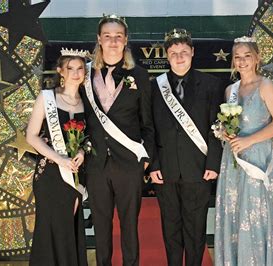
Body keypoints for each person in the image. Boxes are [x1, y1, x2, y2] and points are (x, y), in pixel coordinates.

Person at [79, 14, 154, 266]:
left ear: (126, 41)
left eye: (118, 36)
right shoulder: (84, 76)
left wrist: (145, 160)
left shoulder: (140, 76)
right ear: (99, 39)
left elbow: (148, 124)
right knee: (100, 226)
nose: (113, 41)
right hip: (96, 163)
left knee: (129, 226)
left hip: (129, 164)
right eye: (108, 36)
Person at [149, 28, 224, 266]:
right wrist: (153, 165)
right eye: (173, 53)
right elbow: (148, 129)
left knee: (195, 229)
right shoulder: (154, 87)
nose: (179, 57)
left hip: (199, 168)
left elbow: (217, 127)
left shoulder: (211, 85)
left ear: (192, 52)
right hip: (166, 170)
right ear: (166, 56)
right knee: (170, 227)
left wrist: (213, 163)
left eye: (183, 52)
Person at [214, 36, 273, 265]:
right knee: (235, 212)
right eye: (237, 57)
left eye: (247, 56)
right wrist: (225, 133)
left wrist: (249, 141)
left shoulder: (267, 86)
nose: (242, 61)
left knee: (254, 215)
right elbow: (232, 124)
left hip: (256, 160)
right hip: (233, 161)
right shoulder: (231, 91)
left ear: (257, 58)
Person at [26, 48, 89, 266]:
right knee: (51, 225)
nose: (75, 73)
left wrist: (81, 151)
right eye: (70, 68)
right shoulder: (47, 97)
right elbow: (31, 136)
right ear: (60, 70)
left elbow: (90, 138)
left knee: (69, 225)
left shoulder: (87, 101)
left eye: (80, 68)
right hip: (51, 174)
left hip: (75, 172)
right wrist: (59, 158)